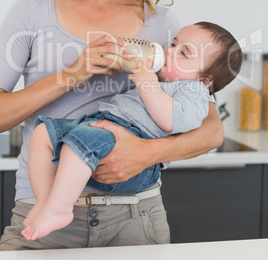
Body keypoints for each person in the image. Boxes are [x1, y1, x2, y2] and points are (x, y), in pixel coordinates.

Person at [0, 0, 224, 251]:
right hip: (42, 211)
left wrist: (148, 153)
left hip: (136, 216)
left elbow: (211, 130)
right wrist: (71, 75)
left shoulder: (164, 27)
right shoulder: (34, 11)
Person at [21, 21, 242, 241]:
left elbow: (172, 120)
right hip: (102, 124)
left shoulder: (193, 90)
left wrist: (148, 84)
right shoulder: (162, 79)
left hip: (133, 147)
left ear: (204, 79)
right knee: (43, 132)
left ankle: (60, 208)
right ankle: (45, 202)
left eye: (183, 53)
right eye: (174, 44)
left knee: (78, 144)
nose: (169, 51)